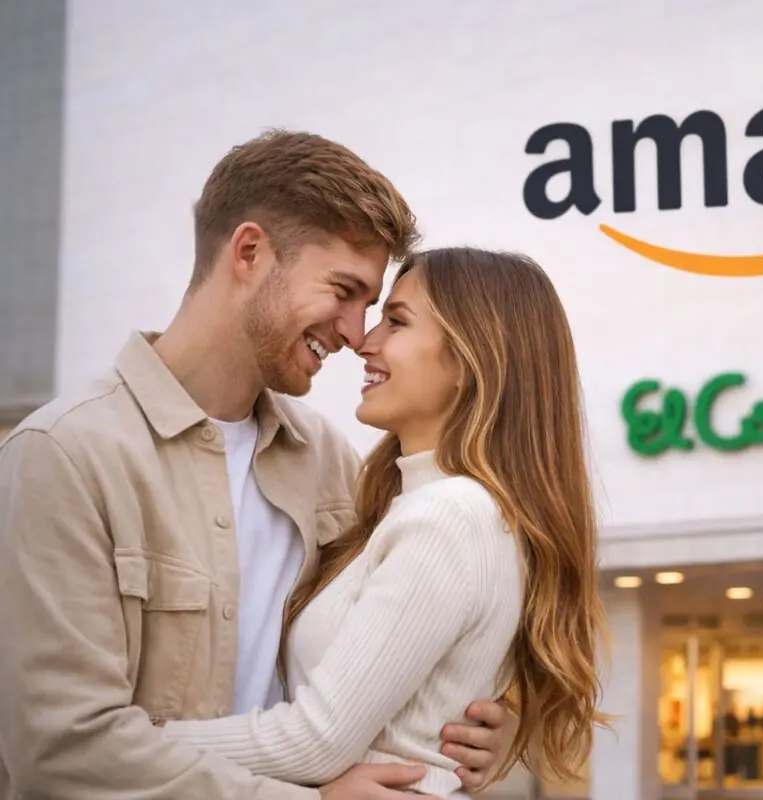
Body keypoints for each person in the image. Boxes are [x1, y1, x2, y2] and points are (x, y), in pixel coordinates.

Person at [0, 131, 514, 799]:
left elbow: (369, 671)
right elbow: (60, 750)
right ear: (248, 253)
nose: (357, 333)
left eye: (375, 306)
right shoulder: (64, 456)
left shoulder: (331, 464)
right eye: (344, 290)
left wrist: (468, 724)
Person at [158, 246, 609, 797]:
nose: (364, 342)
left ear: (472, 360)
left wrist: (134, 740)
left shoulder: (449, 515)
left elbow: (315, 740)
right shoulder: (414, 505)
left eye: (395, 321)